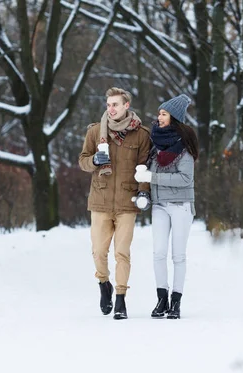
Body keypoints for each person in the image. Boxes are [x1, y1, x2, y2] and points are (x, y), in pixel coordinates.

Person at [79, 87, 151, 320]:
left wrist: (143, 193)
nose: (110, 109)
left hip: (126, 203)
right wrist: (93, 161)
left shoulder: (141, 135)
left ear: (126, 106)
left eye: (115, 104)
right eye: (108, 104)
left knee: (122, 252)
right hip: (100, 201)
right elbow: (82, 161)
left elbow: (144, 169)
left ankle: (120, 298)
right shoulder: (94, 132)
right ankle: (104, 284)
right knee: (99, 252)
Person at [133, 94, 198, 320]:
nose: (159, 117)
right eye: (159, 113)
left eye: (163, 114)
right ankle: (161, 298)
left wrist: (152, 177)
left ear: (174, 118)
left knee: (178, 255)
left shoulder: (184, 148)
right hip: (160, 205)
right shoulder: (156, 143)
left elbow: (185, 179)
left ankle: (176, 302)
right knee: (158, 253)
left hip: (181, 206)